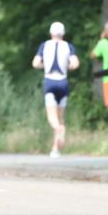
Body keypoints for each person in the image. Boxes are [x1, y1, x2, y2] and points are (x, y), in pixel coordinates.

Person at [32, 21, 79, 157]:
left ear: (51, 33)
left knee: (52, 118)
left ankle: (59, 129)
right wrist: (67, 67)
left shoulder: (44, 45)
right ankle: (55, 149)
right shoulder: (68, 46)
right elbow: (75, 64)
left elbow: (35, 63)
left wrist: (45, 66)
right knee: (60, 116)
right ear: (63, 33)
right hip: (63, 82)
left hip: (50, 82)